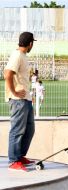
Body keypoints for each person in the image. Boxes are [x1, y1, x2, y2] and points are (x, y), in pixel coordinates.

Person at [4, 32, 36, 171]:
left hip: (26, 99)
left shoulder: (23, 56)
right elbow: (7, 74)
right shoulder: (17, 55)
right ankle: (13, 160)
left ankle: (20, 155)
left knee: (29, 129)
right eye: (32, 43)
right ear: (30, 43)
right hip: (18, 100)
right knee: (17, 130)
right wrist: (14, 92)